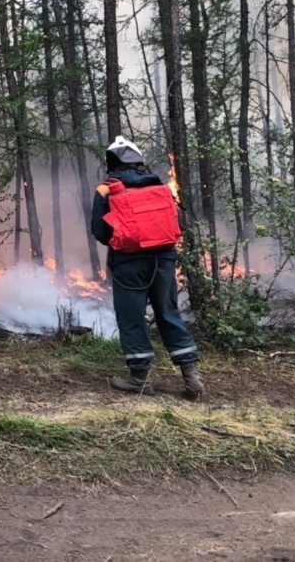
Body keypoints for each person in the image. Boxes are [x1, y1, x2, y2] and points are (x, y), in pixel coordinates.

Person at [90, 136, 204, 399]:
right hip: (164, 260)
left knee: (132, 318)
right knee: (168, 313)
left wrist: (123, 243)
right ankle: (192, 379)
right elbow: (178, 224)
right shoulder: (161, 186)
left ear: (112, 163)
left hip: (129, 262)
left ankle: (140, 380)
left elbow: (99, 230)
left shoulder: (107, 190)